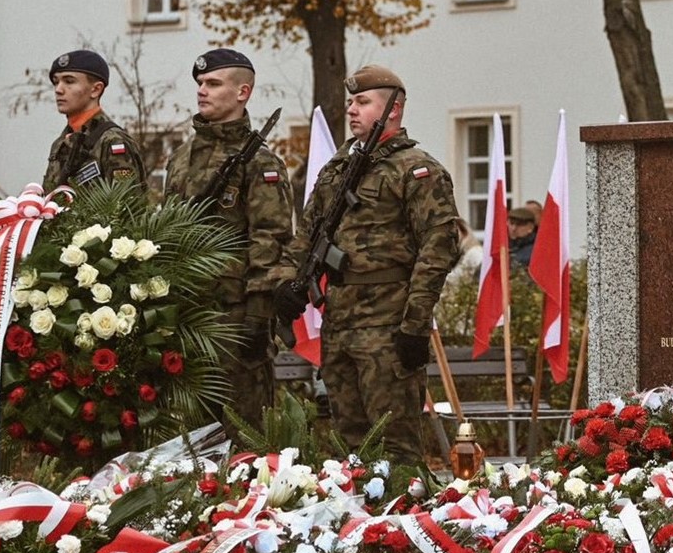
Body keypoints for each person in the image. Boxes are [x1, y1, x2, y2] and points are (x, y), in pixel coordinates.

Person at [274, 64, 462, 467]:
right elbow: (307, 234)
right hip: (339, 322)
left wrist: (414, 325)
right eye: (351, 102)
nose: (352, 110)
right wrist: (288, 284)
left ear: (393, 109)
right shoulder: (339, 170)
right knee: (349, 448)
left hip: (388, 326)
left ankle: (399, 524)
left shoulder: (416, 170)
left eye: (363, 102)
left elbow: (438, 247)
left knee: (395, 448)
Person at [163, 48, 296, 426]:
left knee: (243, 431)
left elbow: (271, 239)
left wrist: (258, 316)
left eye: (213, 83)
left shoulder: (260, 162)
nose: (202, 90)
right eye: (200, 83)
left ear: (243, 93)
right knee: (189, 434)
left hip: (235, 317)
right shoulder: (181, 158)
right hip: (186, 314)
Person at [43, 49, 144, 192]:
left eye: (69, 81)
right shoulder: (60, 144)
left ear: (95, 90)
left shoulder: (113, 141)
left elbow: (126, 207)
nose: (58, 89)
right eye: (56, 82)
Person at [507, 204, 540, 271]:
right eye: (511, 223)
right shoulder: (504, 247)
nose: (514, 228)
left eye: (520, 224)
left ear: (530, 227)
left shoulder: (536, 251)